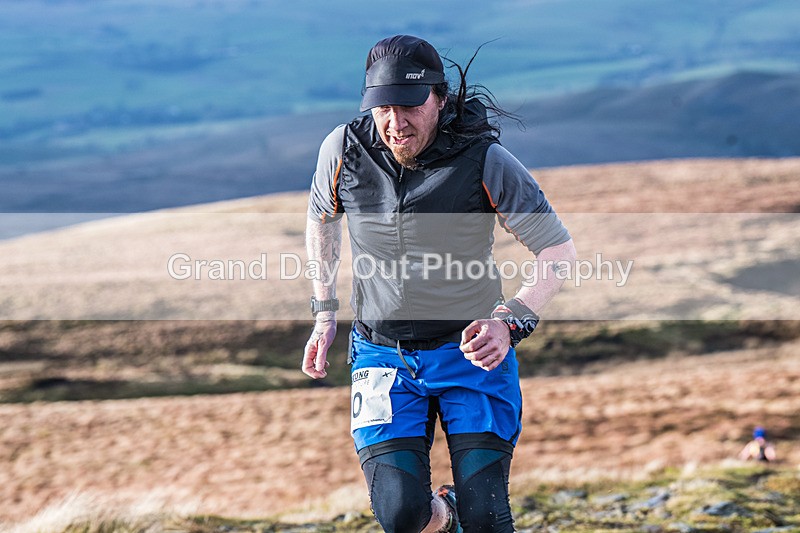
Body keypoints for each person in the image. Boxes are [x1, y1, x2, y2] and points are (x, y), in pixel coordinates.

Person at [302, 34, 576, 532]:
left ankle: (465, 513)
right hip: (383, 356)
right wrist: (324, 313)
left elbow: (558, 251)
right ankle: (443, 514)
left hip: (470, 354)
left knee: (487, 518)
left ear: (440, 99)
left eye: (409, 106)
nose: (394, 122)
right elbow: (322, 218)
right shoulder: (344, 149)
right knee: (401, 514)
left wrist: (509, 321)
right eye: (383, 107)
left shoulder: (484, 161)